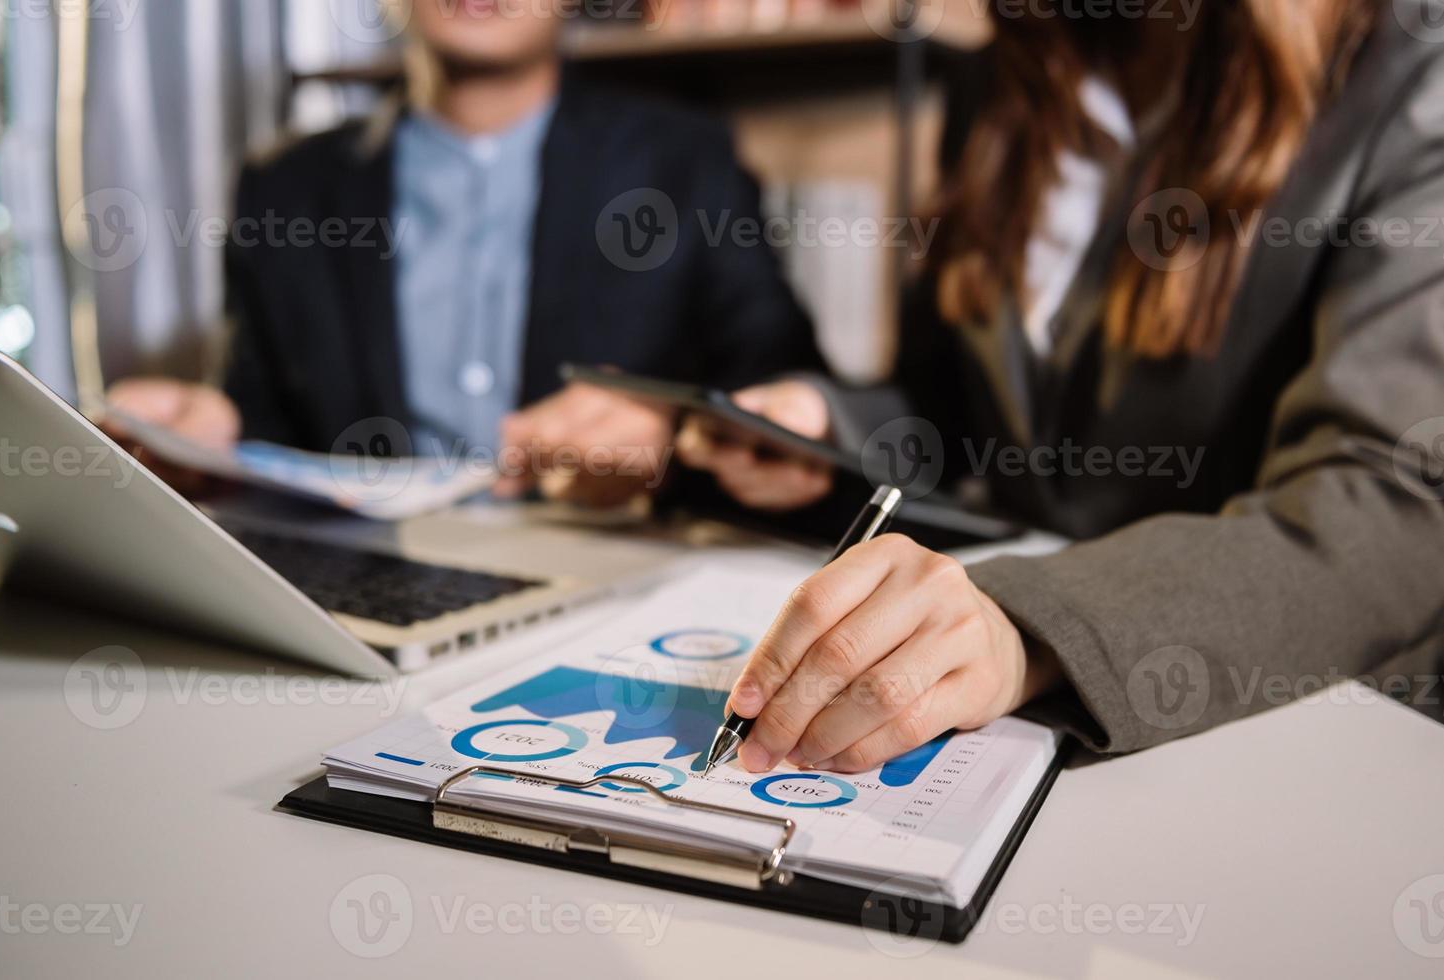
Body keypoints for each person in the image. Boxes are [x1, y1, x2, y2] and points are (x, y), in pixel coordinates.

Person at [676, 0, 1444, 767]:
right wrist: (829, 424)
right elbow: (955, 406)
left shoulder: (1412, 70)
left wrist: (1031, 627)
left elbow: (1392, 499)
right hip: (1011, 712)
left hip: (1271, 723)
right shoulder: (999, 82)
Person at [107, 0, 817, 507]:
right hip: (363, 582)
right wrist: (208, 436)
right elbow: (261, 412)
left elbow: (786, 388)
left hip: (610, 573)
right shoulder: (285, 187)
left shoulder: (684, 163)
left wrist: (674, 433)